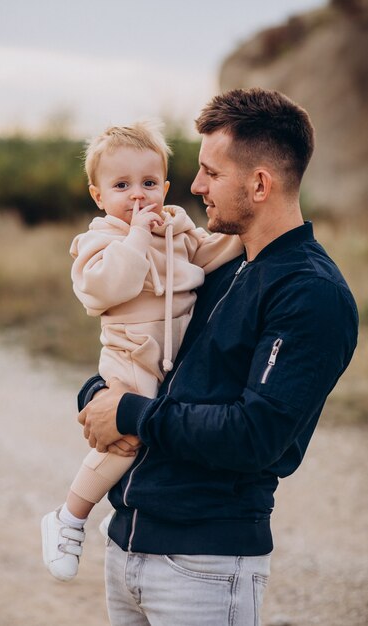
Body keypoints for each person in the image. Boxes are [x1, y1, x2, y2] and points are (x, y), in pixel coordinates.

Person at [77, 88, 358, 626]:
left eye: (211, 172)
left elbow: (256, 435)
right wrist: (96, 395)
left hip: (204, 566)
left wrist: (129, 414)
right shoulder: (217, 266)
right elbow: (152, 363)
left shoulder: (310, 294)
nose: (194, 185)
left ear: (259, 184)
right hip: (127, 546)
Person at [40, 121, 243, 581]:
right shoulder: (101, 241)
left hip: (176, 356)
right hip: (131, 353)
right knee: (126, 437)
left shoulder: (175, 228)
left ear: (166, 187)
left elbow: (206, 255)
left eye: (149, 184)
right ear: (98, 196)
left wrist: (248, 238)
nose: (138, 196)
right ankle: (69, 517)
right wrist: (135, 236)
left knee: (169, 433)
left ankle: (130, 506)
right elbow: (107, 288)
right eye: (122, 185)